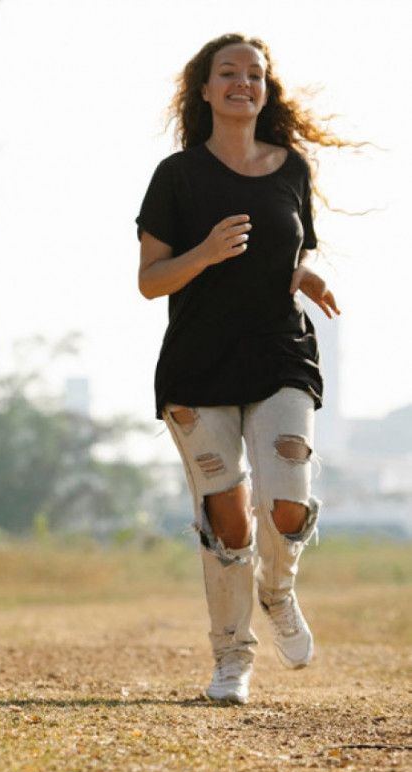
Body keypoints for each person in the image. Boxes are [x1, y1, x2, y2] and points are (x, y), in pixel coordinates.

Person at [136, 34, 353, 704]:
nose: (241, 83)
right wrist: (202, 253)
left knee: (286, 501)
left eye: (253, 74)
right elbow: (149, 281)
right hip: (198, 363)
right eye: (227, 73)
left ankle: (277, 591)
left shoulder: (292, 169)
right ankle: (232, 657)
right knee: (229, 521)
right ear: (204, 90)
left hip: (279, 351)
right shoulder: (177, 176)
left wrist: (303, 274)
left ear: (265, 89)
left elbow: (288, 251)